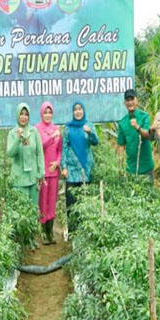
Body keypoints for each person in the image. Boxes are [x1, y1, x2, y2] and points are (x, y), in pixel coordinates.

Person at [61, 101, 98, 235]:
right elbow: (64, 148)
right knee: (71, 203)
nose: (78, 112)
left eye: (80, 109)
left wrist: (90, 133)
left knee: (84, 202)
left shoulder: (89, 125)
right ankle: (72, 233)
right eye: (75, 109)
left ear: (83, 111)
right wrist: (63, 167)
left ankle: (84, 233)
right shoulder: (68, 128)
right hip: (71, 171)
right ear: (73, 112)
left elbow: (95, 142)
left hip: (85, 170)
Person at [7, 103, 45, 212]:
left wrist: (41, 173)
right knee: (21, 211)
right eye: (21, 114)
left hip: (33, 177)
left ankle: (34, 230)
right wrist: (18, 138)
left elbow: (39, 153)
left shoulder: (34, 131)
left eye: (26, 114)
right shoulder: (12, 133)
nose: (23, 117)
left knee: (33, 210)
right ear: (17, 116)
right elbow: (10, 153)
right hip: (19, 178)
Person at [36, 102, 62, 244]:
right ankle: (43, 232)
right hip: (43, 171)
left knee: (52, 201)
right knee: (43, 202)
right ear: (41, 114)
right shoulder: (37, 129)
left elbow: (60, 150)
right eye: (45, 112)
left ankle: (50, 231)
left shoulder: (56, 128)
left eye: (49, 112)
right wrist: (52, 136)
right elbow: (41, 145)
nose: (47, 115)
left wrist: (57, 163)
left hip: (54, 171)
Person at [117, 89, 154, 178]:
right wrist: (120, 167)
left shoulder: (144, 116)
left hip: (146, 168)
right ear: (124, 103)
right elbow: (121, 146)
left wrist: (137, 127)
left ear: (137, 100)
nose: (130, 102)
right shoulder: (122, 123)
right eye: (127, 100)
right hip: (131, 170)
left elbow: (148, 135)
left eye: (132, 99)